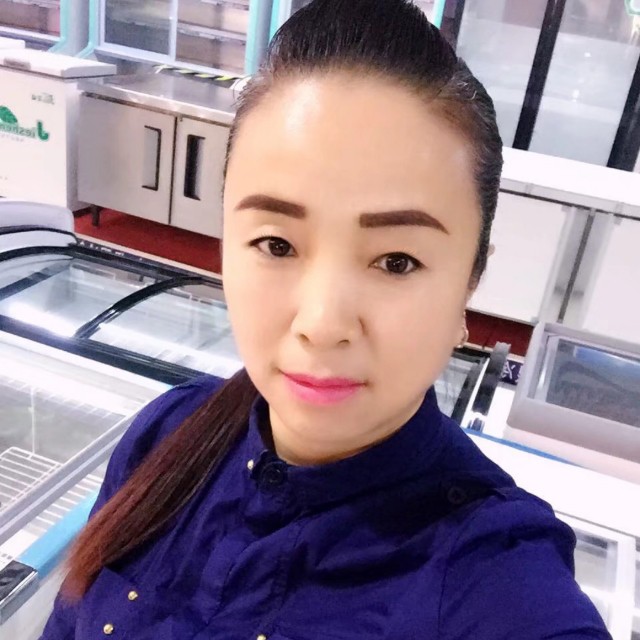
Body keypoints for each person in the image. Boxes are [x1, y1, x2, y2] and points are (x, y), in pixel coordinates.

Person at [41, 1, 611, 638]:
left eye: (396, 261)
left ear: (469, 284)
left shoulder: (495, 580)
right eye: (277, 244)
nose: (322, 323)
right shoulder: (166, 435)